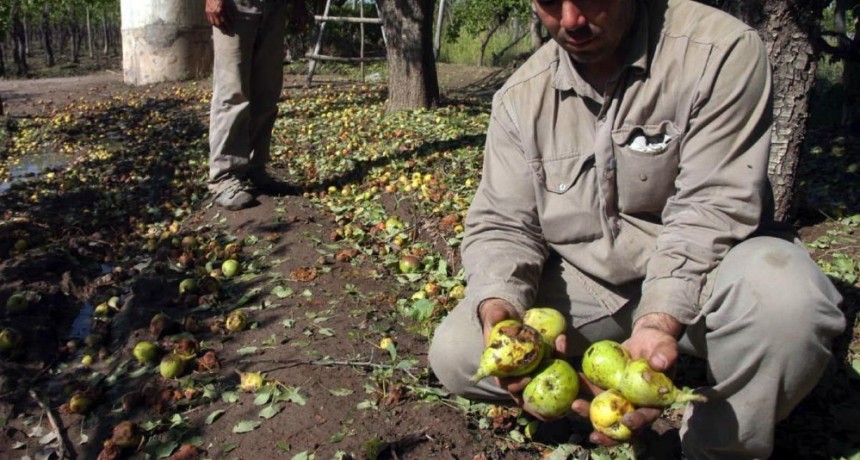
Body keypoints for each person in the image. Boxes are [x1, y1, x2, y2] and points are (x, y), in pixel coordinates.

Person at [427, 0, 846, 458]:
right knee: (458, 353)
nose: (570, 21)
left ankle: (716, 442)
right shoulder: (520, 97)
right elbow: (503, 223)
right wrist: (499, 307)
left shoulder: (718, 51)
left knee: (789, 307)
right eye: (550, 1)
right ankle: (592, 397)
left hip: (710, 272)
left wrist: (658, 318)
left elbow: (711, 208)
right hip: (592, 285)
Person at [205, 0, 307, 210]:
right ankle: (223, 177)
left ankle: (255, 167)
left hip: (274, 8)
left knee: (266, 92)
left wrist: (298, 5)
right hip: (235, 7)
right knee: (232, 92)